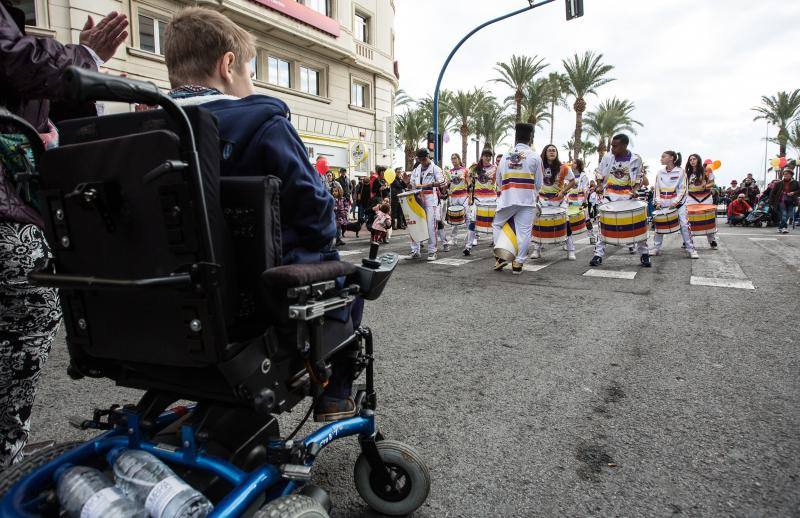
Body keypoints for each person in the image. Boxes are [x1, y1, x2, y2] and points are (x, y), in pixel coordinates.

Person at [164, 7, 358, 421]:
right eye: (250, 70)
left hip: (168, 296)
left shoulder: (146, 127)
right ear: (227, 63)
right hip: (256, 294)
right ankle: (335, 395)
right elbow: (315, 210)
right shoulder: (262, 122)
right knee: (351, 283)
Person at [0, 2, 129, 466]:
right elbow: (18, 64)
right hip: (8, 216)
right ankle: (5, 451)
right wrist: (84, 58)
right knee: (27, 306)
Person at [589, 133, 650, 267]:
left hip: (628, 196)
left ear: (624, 146)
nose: (612, 149)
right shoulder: (608, 157)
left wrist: (634, 191)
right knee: (603, 224)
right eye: (612, 146)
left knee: (638, 224)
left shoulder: (636, 159)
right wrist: (599, 185)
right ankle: (598, 254)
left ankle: (644, 254)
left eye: (615, 146)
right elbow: (599, 173)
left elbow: (639, 179)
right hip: (610, 195)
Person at [493, 123, 542, 274]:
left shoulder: (505, 156)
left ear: (516, 138)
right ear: (530, 138)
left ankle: (502, 256)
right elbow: (539, 183)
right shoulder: (535, 156)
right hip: (527, 200)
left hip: (507, 198)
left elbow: (499, 180)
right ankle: (518, 263)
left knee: (497, 225)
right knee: (524, 232)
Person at [531, 144, 576, 261]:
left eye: (554, 151)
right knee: (537, 224)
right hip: (542, 200)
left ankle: (571, 250)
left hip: (559, 201)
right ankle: (537, 249)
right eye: (549, 150)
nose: (552, 152)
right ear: (545, 153)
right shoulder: (539, 166)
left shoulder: (564, 167)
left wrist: (564, 191)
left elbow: (572, 181)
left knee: (566, 224)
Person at [651, 151, 697, 259]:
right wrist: (657, 202)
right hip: (663, 202)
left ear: (671, 158)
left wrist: (676, 203)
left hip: (678, 204)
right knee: (659, 225)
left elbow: (683, 189)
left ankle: (691, 249)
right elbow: (657, 189)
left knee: (684, 225)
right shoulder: (659, 172)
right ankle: (656, 248)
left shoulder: (681, 172)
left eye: (663, 156)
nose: (661, 159)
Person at [408, 148, 446, 261]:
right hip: (417, 198)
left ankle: (432, 251)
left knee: (431, 225)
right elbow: (412, 184)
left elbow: (443, 182)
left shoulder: (436, 168)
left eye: (424, 159)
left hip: (430, 198)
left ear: (428, 157)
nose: (422, 161)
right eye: (420, 159)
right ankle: (415, 250)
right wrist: (408, 183)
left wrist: (431, 184)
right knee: (415, 224)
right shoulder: (416, 170)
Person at [463, 149, 497, 254]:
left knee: (495, 223)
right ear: (482, 156)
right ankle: (468, 246)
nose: (487, 158)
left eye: (489, 156)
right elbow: (467, 177)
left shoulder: (495, 168)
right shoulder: (475, 168)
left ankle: (497, 246)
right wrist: (469, 184)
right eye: (486, 155)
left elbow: (499, 181)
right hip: (478, 198)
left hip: (492, 199)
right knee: (473, 221)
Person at [685, 153, 718, 249]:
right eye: (690, 160)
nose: (692, 161)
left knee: (708, 218)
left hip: (706, 198)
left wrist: (705, 186)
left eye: (694, 159)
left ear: (698, 160)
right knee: (690, 219)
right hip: (691, 198)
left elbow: (712, 183)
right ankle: (688, 240)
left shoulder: (707, 170)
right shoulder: (686, 173)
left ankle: (712, 240)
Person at [566, 158, 597, 244]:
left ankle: (591, 237)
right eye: (572, 163)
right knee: (569, 221)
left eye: (575, 163)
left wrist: (584, 201)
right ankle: (567, 241)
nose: (572, 164)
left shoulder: (583, 176)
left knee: (586, 219)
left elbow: (586, 189)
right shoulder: (569, 175)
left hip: (580, 200)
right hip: (570, 201)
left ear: (579, 165)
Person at [444, 153, 469, 248]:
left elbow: (470, 183)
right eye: (452, 159)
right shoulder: (449, 172)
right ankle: (454, 239)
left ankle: (470, 238)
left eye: (455, 158)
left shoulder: (465, 170)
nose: (453, 160)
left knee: (467, 217)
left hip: (464, 196)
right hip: (454, 197)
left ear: (459, 159)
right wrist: (447, 185)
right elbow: (447, 185)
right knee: (454, 218)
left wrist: (470, 196)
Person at [770, 168, 799, 233]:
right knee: (784, 214)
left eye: (787, 174)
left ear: (791, 175)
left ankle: (780, 227)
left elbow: (799, 191)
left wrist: (793, 193)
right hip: (781, 200)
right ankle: (784, 228)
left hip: (791, 201)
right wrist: (771, 203)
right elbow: (772, 194)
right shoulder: (778, 183)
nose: (785, 175)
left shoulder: (796, 183)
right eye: (784, 174)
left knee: (789, 214)